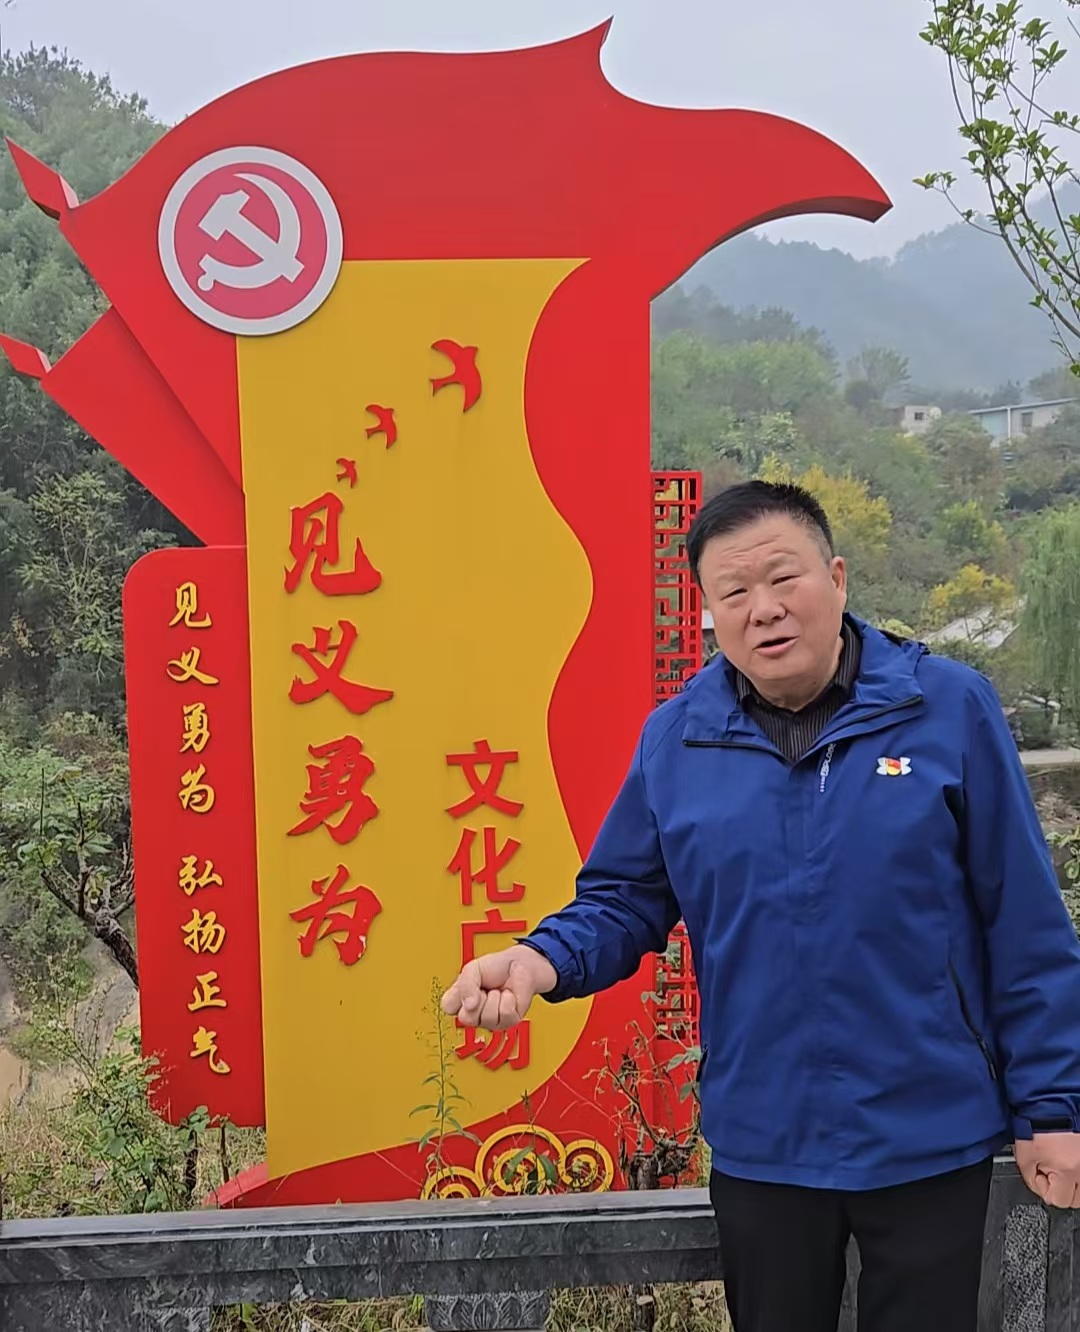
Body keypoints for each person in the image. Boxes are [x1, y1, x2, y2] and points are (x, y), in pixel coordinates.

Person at [441, 480, 1080, 1332]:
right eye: (734, 592)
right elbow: (624, 899)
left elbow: (1025, 921)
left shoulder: (946, 707)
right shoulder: (679, 737)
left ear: (837, 580)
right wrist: (538, 960)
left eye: (784, 579)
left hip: (929, 1130)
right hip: (765, 1139)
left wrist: (1054, 1108)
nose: (764, 609)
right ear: (710, 613)